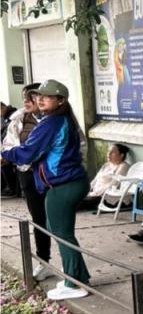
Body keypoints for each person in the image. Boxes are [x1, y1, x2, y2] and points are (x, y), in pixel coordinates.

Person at [1, 80, 92, 300]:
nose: (40, 99)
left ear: (60, 100)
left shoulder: (52, 122)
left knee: (62, 233)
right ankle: (79, 276)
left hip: (64, 185)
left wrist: (5, 155)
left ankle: (73, 284)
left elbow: (28, 152)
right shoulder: (56, 120)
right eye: (38, 96)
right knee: (57, 229)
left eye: (47, 96)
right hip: (65, 184)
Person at [1, 84, 52, 280]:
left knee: (58, 220)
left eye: (31, 97)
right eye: (25, 98)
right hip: (28, 175)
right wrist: (17, 156)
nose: (26, 102)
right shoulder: (19, 120)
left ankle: (70, 264)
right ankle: (44, 261)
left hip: (53, 177)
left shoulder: (57, 120)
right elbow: (10, 144)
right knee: (39, 219)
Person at [78, 143, 130, 210]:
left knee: (76, 202)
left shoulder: (123, 167)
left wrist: (94, 193)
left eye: (112, 152)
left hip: (108, 198)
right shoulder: (107, 165)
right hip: (95, 194)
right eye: (108, 151)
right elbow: (95, 180)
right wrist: (86, 190)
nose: (109, 154)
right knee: (74, 197)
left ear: (121, 155)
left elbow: (113, 185)